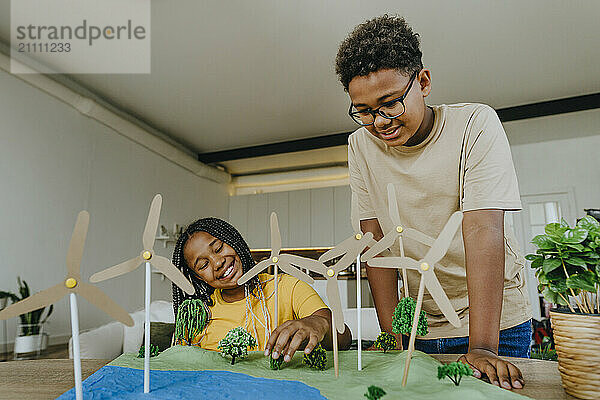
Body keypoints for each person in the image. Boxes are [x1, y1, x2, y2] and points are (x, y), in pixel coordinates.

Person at [335, 15, 531, 390]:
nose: (379, 122)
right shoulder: (360, 146)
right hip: (418, 325)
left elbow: (483, 228)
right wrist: (393, 340)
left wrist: (484, 347)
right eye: (363, 110)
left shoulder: (475, 124)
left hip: (494, 323)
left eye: (390, 103)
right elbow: (375, 243)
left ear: (422, 83)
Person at [171, 217, 351, 363]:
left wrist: (320, 324)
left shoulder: (287, 287)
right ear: (198, 278)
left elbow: (343, 338)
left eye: (218, 248)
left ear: (234, 240)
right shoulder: (198, 315)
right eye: (203, 265)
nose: (218, 262)